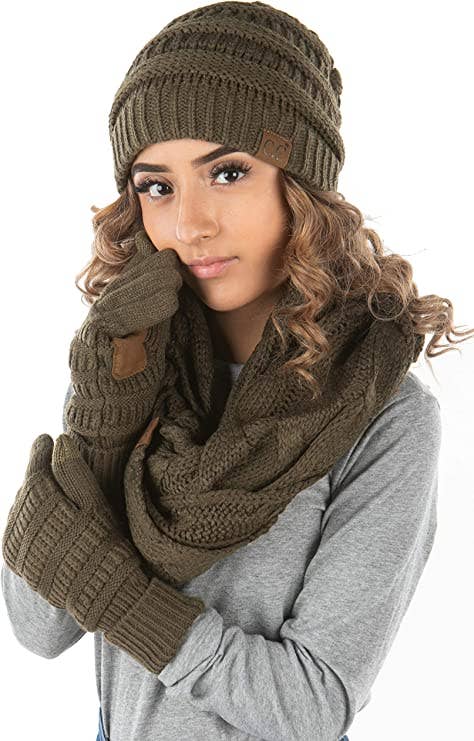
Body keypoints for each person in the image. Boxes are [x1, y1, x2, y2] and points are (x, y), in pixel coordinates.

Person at [2, 2, 472, 740]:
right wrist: (102, 427)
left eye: (227, 172)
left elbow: (312, 705)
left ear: (301, 184)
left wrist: (123, 601)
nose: (190, 223)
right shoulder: (124, 363)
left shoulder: (381, 414)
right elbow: (39, 627)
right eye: (157, 186)